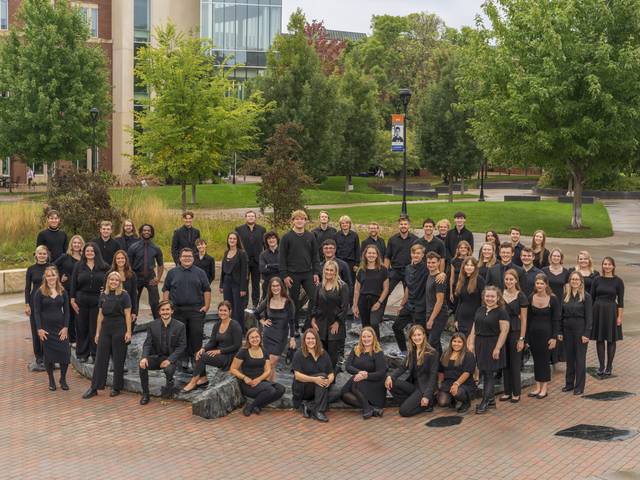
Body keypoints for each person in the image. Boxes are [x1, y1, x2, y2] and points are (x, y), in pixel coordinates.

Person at [82, 271, 132, 399]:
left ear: (119, 282)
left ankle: (116, 387)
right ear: (108, 281)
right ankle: (94, 388)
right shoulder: (103, 295)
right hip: (105, 329)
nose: (114, 282)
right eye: (111, 280)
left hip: (119, 328)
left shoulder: (124, 295)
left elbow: (127, 315)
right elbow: (100, 315)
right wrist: (97, 332)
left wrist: (128, 331)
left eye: (116, 280)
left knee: (118, 358)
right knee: (100, 359)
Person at [162, 248, 211, 369]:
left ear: (193, 258)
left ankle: (196, 358)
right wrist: (166, 306)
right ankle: (182, 359)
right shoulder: (172, 272)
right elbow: (166, 289)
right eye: (184, 256)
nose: (187, 258)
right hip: (177, 310)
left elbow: (207, 290)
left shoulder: (200, 272)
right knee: (180, 336)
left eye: (189, 256)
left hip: (196, 310)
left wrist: (207, 306)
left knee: (196, 335)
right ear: (180, 258)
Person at [181, 301, 243, 392]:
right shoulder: (217, 325)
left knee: (203, 357)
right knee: (198, 353)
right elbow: (212, 342)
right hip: (220, 354)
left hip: (230, 356)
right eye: (220, 310)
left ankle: (193, 382)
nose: (222, 312)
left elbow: (237, 345)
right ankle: (203, 378)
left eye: (225, 310)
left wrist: (220, 351)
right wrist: (203, 349)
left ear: (230, 312)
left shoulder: (235, 325)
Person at [467, 286, 510, 414]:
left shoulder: (501, 312)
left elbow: (504, 331)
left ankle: (485, 402)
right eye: (487, 296)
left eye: (492, 296)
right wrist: (471, 342)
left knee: (489, 374)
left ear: (498, 298)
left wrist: (498, 348)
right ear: (484, 297)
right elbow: (475, 326)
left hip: (492, 344)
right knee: (484, 372)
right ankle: (491, 401)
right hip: (480, 343)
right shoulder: (480, 309)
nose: (489, 298)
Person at [139, 300, 187, 405]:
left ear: (172, 311)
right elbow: (147, 343)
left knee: (168, 369)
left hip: (172, 359)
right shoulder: (152, 325)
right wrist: (144, 357)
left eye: (167, 309)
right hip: (157, 357)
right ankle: (145, 394)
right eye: (163, 310)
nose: (165, 312)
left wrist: (169, 360)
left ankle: (170, 382)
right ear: (159, 312)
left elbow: (182, 346)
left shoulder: (180, 326)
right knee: (142, 365)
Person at [279, 210, 320, 331]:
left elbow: (315, 256)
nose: (299, 221)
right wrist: (284, 275)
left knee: (315, 297)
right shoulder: (286, 237)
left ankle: (308, 324)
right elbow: (282, 258)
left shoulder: (310, 236)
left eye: (302, 219)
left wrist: (316, 272)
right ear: (292, 221)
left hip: (308, 273)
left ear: (305, 221)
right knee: (293, 301)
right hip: (292, 274)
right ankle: (294, 326)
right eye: (297, 219)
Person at [229, 328, 286, 416]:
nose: (255, 339)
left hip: (261, 382)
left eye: (257, 337)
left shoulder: (264, 351)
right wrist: (245, 378)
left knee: (281, 389)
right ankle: (252, 407)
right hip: (248, 384)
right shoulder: (243, 352)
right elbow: (233, 369)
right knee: (270, 390)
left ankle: (255, 405)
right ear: (248, 339)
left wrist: (259, 380)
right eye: (252, 337)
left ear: (260, 338)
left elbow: (268, 370)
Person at [385, 325, 439, 417]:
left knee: (404, 411)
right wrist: (390, 377)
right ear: (411, 337)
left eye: (419, 335)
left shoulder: (432, 353)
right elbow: (402, 367)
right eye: (414, 335)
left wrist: (426, 395)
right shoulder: (412, 352)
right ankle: (412, 402)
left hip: (424, 388)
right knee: (391, 383)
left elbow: (433, 377)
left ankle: (428, 404)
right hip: (414, 386)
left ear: (424, 335)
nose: (417, 337)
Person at [34, 266, 71, 391]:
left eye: (53, 275)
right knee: (49, 357)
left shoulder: (62, 291)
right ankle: (51, 380)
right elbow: (37, 312)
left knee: (65, 354)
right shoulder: (40, 292)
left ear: (57, 276)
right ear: (45, 277)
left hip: (60, 328)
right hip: (46, 330)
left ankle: (63, 379)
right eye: (48, 275)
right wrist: (39, 329)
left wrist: (66, 327)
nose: (51, 277)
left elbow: (67, 311)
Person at [70, 243, 109, 363]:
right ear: (84, 252)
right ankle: (82, 353)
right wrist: (72, 300)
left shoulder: (104, 266)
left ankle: (95, 353)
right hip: (81, 299)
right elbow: (73, 284)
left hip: (97, 300)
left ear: (96, 252)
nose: (90, 253)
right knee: (82, 327)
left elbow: (111, 281)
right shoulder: (78, 266)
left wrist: (106, 291)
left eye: (92, 251)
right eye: (87, 251)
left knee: (95, 327)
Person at [253, 277, 296, 381]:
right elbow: (256, 312)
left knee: (272, 362)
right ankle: (271, 387)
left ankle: (265, 388)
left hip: (281, 336)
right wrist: (263, 321)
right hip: (268, 334)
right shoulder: (268, 300)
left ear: (281, 287)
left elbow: (292, 321)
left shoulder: (288, 302)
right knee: (270, 364)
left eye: (277, 285)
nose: (275, 288)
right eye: (273, 286)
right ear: (270, 287)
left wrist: (292, 338)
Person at [341, 327, 388, 419]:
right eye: (364, 337)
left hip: (375, 384)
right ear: (361, 338)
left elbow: (381, 373)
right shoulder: (356, 349)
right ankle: (371, 408)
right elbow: (348, 367)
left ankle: (368, 408)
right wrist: (360, 372)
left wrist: (366, 376)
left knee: (354, 381)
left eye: (369, 336)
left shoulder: (378, 352)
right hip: (360, 382)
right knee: (345, 394)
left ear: (373, 337)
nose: (366, 339)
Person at [526, 274, 561, 399]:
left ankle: (544, 388)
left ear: (546, 284)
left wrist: (554, 337)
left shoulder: (553, 299)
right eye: (537, 283)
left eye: (541, 283)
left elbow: (556, 320)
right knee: (536, 361)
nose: (539, 285)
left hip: (547, 335)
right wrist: (527, 337)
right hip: (534, 334)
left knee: (544, 361)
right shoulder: (531, 297)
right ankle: (537, 387)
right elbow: (528, 319)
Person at [311, 260, 350, 369]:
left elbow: (345, 307)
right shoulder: (319, 286)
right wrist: (313, 319)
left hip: (335, 323)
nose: (328, 272)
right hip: (320, 323)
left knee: (332, 354)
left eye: (331, 270)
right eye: (327, 270)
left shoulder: (342, 286)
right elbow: (315, 304)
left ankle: (331, 376)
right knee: (320, 352)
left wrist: (338, 322)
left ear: (335, 271)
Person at [291, 328, 335, 422]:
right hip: (303, 388)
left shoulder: (323, 353)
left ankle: (308, 406)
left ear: (317, 340)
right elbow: (297, 376)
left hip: (319, 387)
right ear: (304, 340)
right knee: (322, 376)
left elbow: (331, 373)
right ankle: (319, 411)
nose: (311, 341)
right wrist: (315, 379)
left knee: (338, 393)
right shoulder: (299, 354)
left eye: (313, 338)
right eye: (308, 338)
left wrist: (329, 381)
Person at [590, 257, 624, 377]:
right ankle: (601, 366)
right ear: (602, 265)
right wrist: (590, 315)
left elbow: (620, 301)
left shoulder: (618, 281)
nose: (607, 266)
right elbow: (592, 298)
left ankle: (609, 366)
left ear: (613, 266)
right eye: (605, 264)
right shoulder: (596, 280)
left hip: (611, 312)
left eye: (609, 264)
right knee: (599, 339)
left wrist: (620, 317)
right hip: (597, 311)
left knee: (611, 340)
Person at [560, 272, 592, 395]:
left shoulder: (586, 296)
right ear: (569, 281)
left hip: (580, 329)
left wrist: (586, 334)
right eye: (572, 279)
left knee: (579, 358)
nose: (574, 281)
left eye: (577, 279)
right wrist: (560, 331)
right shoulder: (565, 295)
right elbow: (561, 315)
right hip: (567, 329)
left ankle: (579, 386)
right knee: (570, 357)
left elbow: (589, 317)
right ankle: (569, 384)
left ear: (581, 281)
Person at [392, 244, 427, 356]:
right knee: (396, 326)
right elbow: (407, 287)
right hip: (409, 305)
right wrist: (402, 304)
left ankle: (420, 354)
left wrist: (442, 275)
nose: (415, 255)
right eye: (413, 253)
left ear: (422, 255)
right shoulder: (407, 269)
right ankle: (404, 351)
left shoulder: (427, 268)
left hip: (421, 306)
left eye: (418, 253)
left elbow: (438, 273)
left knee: (419, 333)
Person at [500, 269, 528, 403]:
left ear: (516, 280)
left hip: (515, 331)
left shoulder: (521, 296)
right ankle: (506, 391)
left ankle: (516, 392)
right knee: (505, 362)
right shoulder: (500, 294)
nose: (509, 282)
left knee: (515, 363)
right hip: (502, 332)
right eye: (507, 279)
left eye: (511, 279)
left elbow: (524, 319)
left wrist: (522, 339)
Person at [127, 223, 164, 321]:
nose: (146, 232)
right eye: (144, 230)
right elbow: (128, 265)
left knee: (155, 302)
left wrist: (158, 278)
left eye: (149, 230)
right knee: (134, 301)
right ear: (141, 232)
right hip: (136, 277)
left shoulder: (156, 248)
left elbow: (161, 265)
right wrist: (131, 278)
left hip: (150, 277)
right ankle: (132, 325)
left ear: (151, 233)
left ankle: (158, 324)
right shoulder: (133, 247)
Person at [353, 245, 389, 339]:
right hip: (363, 301)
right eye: (369, 253)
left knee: (374, 323)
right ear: (365, 255)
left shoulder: (383, 269)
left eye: (373, 253)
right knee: (365, 326)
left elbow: (386, 288)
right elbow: (357, 289)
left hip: (377, 300)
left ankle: (377, 346)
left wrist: (379, 302)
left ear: (377, 255)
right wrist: (355, 305)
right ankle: (366, 348)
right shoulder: (361, 270)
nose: (371, 255)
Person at [54, 234, 85, 344]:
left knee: (80, 315)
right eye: (74, 243)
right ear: (71, 245)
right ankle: (72, 339)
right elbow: (52, 267)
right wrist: (59, 277)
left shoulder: (85, 258)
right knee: (70, 315)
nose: (76, 245)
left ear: (82, 245)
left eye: (79, 243)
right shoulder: (65, 256)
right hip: (67, 290)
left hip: (81, 290)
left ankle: (81, 338)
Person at [437, 333, 477, 413]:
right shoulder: (446, 354)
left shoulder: (468, 355)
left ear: (463, 343)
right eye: (454, 341)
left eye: (459, 342)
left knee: (458, 393)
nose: (456, 344)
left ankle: (466, 402)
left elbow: (467, 373)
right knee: (442, 402)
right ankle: (452, 399)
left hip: (464, 383)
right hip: (448, 382)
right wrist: (440, 383)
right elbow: (441, 371)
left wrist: (456, 384)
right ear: (451, 342)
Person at [25, 245, 51, 367]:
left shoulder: (51, 268)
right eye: (39, 253)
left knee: (48, 328)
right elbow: (27, 288)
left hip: (48, 302)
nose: (42, 255)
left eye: (44, 253)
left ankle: (48, 354)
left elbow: (56, 284)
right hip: (34, 302)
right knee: (36, 329)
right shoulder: (31, 269)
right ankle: (39, 356)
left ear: (47, 255)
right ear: (36, 255)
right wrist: (27, 304)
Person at [384, 215, 418, 302]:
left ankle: (405, 314)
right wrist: (384, 272)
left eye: (405, 224)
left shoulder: (415, 240)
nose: (403, 226)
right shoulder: (392, 239)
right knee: (385, 291)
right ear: (399, 225)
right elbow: (387, 257)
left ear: (409, 225)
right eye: (401, 224)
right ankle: (379, 313)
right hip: (395, 270)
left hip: (409, 270)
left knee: (410, 295)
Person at [235, 211, 266, 306]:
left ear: (255, 218)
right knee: (244, 283)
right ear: (245, 217)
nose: (251, 217)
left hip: (257, 261)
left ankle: (255, 305)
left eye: (252, 216)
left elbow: (265, 245)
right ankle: (244, 305)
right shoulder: (239, 229)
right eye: (249, 216)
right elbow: (236, 245)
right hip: (244, 261)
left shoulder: (262, 229)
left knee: (256, 284)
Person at [219, 232, 249, 330]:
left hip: (238, 285)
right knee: (228, 306)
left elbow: (245, 272)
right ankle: (229, 328)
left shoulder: (242, 253)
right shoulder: (226, 252)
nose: (232, 240)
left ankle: (239, 329)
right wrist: (221, 285)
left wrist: (243, 288)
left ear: (237, 241)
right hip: (227, 283)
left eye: (234, 239)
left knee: (237, 308)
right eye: (230, 238)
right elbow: (223, 270)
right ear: (228, 240)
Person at [454, 257, 485, 337]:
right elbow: (460, 302)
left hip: (473, 319)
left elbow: (483, 302)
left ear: (475, 267)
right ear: (463, 266)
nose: (469, 267)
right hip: (461, 319)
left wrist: (479, 319)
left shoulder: (479, 280)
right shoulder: (461, 280)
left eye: (471, 265)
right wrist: (456, 319)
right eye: (467, 265)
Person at [425, 252, 448, 358]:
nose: (431, 264)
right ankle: (441, 370)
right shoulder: (430, 275)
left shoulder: (439, 279)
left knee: (431, 345)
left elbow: (440, 301)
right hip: (430, 313)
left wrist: (431, 319)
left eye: (433, 262)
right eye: (429, 262)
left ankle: (432, 371)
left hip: (438, 315)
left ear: (439, 263)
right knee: (436, 344)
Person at [109, 250, 138, 327]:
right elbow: (106, 292)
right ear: (115, 260)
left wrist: (134, 312)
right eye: (118, 258)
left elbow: (134, 294)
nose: (120, 260)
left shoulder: (132, 275)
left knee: (127, 335)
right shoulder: (109, 274)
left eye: (122, 258)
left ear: (126, 260)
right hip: (112, 310)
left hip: (128, 309)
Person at [335, 215, 360, 285]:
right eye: (343, 223)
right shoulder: (336, 235)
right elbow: (335, 250)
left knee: (351, 282)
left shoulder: (354, 235)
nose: (345, 224)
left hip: (351, 263)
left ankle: (350, 296)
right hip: (339, 262)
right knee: (340, 282)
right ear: (340, 225)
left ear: (349, 224)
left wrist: (357, 264)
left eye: (347, 223)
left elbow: (357, 249)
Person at [449, 240, 472, 306]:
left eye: (465, 248)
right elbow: (452, 278)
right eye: (461, 248)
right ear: (458, 249)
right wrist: (451, 292)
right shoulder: (454, 261)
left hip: (467, 288)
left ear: (468, 249)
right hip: (456, 288)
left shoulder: (471, 260)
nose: (463, 249)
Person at [259, 231, 280, 299]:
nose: (271, 240)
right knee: (266, 303)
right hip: (267, 283)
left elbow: (283, 266)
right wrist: (277, 267)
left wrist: (268, 265)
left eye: (273, 238)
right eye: (269, 238)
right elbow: (262, 269)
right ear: (266, 241)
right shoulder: (263, 254)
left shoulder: (283, 252)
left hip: (281, 283)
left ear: (277, 239)